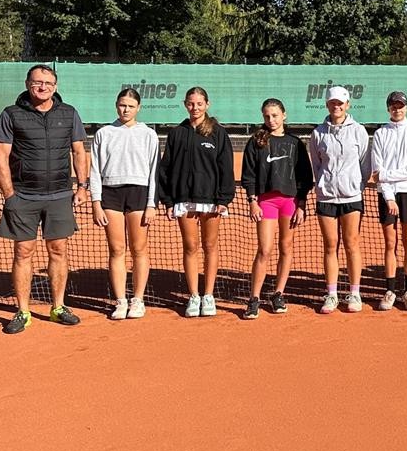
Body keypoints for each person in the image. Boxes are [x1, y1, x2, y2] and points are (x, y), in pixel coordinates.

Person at [0, 64, 88, 334]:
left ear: (55, 87)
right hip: (23, 196)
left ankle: (58, 307)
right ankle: (23, 311)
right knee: (23, 251)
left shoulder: (69, 113)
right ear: (27, 84)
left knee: (58, 250)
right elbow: (0, 157)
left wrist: (82, 187)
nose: (42, 87)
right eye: (37, 82)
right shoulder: (11, 114)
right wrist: (10, 195)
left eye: (48, 83)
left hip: (59, 195)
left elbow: (79, 152)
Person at [156, 87, 235, 318]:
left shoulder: (218, 133)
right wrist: (168, 201)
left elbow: (226, 167)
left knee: (210, 246)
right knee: (190, 246)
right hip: (183, 200)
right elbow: (166, 169)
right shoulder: (176, 133)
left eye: (200, 103)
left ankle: (208, 295)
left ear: (207, 105)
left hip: (211, 201)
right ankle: (193, 296)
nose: (195, 108)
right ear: (185, 104)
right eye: (191, 103)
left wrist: (224, 198)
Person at [90, 87, 159, 320]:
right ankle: (120, 301)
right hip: (111, 194)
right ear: (116, 106)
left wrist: (151, 204)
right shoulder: (104, 133)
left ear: (138, 108)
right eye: (122, 105)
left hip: (139, 193)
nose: (125, 109)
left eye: (130, 106)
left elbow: (154, 172)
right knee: (117, 249)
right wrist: (96, 202)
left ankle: (137, 300)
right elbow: (95, 170)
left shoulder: (148, 134)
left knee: (139, 249)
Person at [241, 98, 313, 319]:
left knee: (286, 247)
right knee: (264, 249)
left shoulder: (295, 143)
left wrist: (301, 204)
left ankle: (278, 294)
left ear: (284, 115)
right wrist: (252, 201)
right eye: (267, 116)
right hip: (266, 201)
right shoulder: (256, 141)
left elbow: (304, 176)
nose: (271, 120)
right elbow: (249, 174)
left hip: (289, 202)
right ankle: (254, 298)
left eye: (274, 115)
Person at [309, 85, 369, 314]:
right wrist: (323, 185)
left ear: (347, 105)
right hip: (326, 197)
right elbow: (316, 164)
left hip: (351, 196)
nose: (337, 106)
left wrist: (356, 186)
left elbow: (365, 164)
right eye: (333, 103)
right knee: (330, 245)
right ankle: (332, 294)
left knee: (352, 243)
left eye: (340, 103)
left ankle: (355, 293)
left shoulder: (359, 131)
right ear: (327, 104)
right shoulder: (318, 133)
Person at [368, 90, 407, 311]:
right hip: (386, 195)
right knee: (390, 243)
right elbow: (377, 170)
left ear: (406, 108)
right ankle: (390, 291)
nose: (397, 109)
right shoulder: (380, 134)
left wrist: (385, 175)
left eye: (400, 105)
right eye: (393, 105)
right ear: (388, 108)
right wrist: (389, 197)